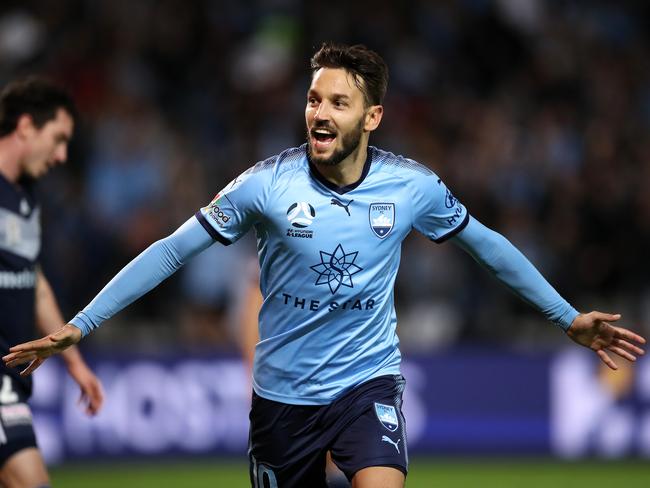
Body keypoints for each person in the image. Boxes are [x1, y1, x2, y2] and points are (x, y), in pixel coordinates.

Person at [3, 44, 645, 488]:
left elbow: (488, 245)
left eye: (338, 102)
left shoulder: (411, 186)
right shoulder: (264, 185)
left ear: (372, 117)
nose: (320, 113)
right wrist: (83, 324)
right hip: (282, 398)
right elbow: (173, 250)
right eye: (314, 99)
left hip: (368, 384)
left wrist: (566, 318)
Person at [0, 77, 104, 488]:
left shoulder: (25, 196)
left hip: (12, 374)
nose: (62, 155)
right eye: (58, 139)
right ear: (26, 126)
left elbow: (34, 280)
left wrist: (73, 361)